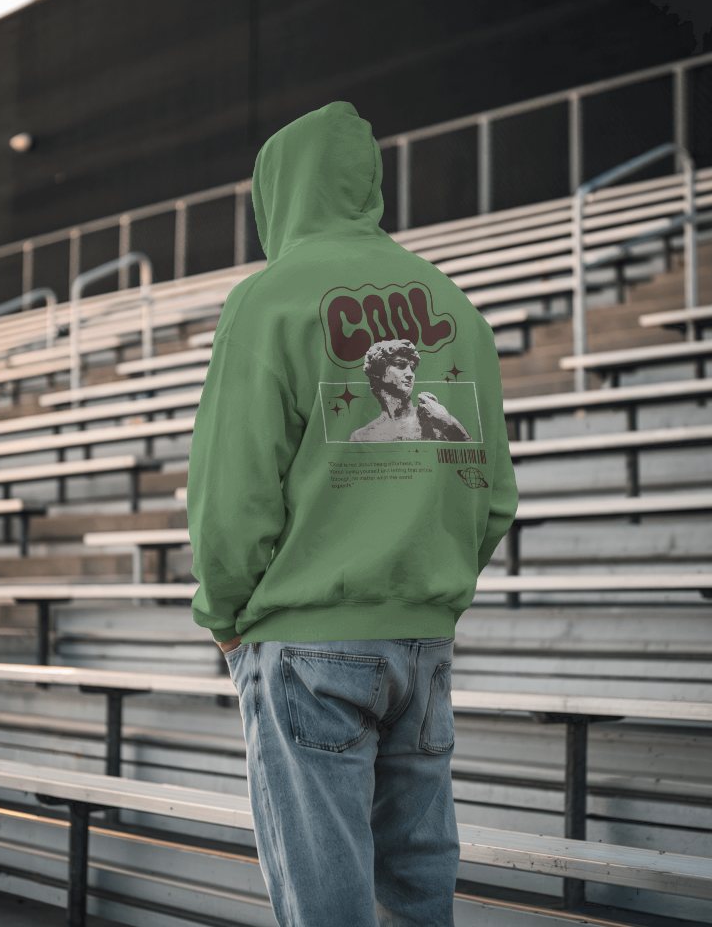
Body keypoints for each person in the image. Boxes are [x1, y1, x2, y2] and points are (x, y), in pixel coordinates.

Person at [186, 101, 519, 926]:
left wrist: (225, 618)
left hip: (307, 640)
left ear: (278, 192)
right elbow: (494, 498)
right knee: (418, 894)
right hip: (423, 641)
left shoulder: (269, 300)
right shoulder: (454, 305)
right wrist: (429, 591)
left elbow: (233, 493)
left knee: (324, 906)